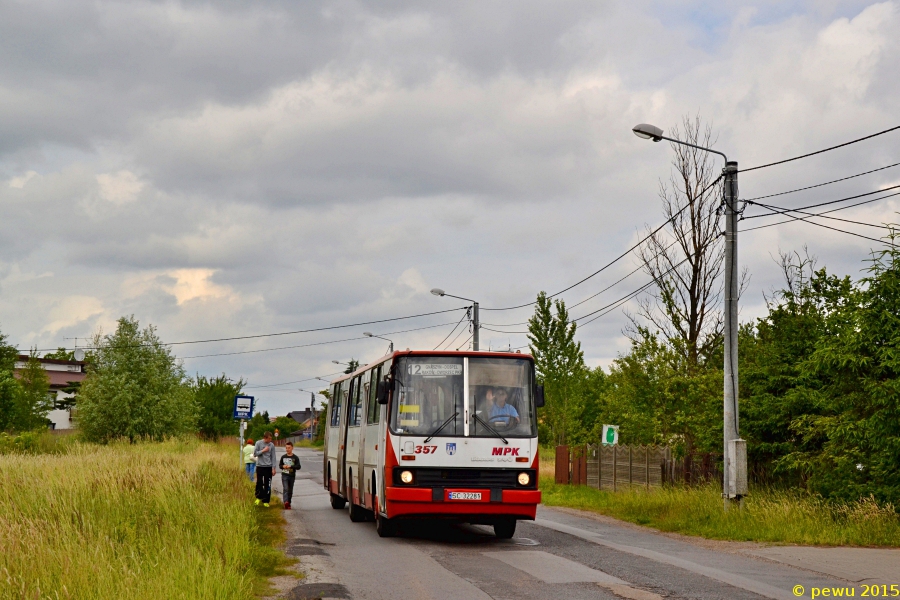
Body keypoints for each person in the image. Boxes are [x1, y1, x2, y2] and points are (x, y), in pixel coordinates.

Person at [254, 432, 276, 507]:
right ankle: (258, 497)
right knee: (259, 482)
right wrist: (263, 450)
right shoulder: (258, 443)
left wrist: (273, 468)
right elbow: (255, 453)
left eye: (271, 438)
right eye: (269, 438)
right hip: (260, 466)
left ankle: (266, 500)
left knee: (268, 483)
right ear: (265, 438)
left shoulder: (271, 445)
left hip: (268, 466)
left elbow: (273, 457)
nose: (270, 440)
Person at [278, 441, 301, 509]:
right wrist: (283, 466)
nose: (287, 449)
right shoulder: (283, 457)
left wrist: (291, 466)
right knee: (286, 488)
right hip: (285, 475)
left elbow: (299, 466)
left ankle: (289, 503)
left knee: (290, 490)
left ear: (292, 448)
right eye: (286, 448)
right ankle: (285, 502)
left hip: (292, 475)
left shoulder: (295, 457)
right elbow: (280, 465)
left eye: (289, 448)